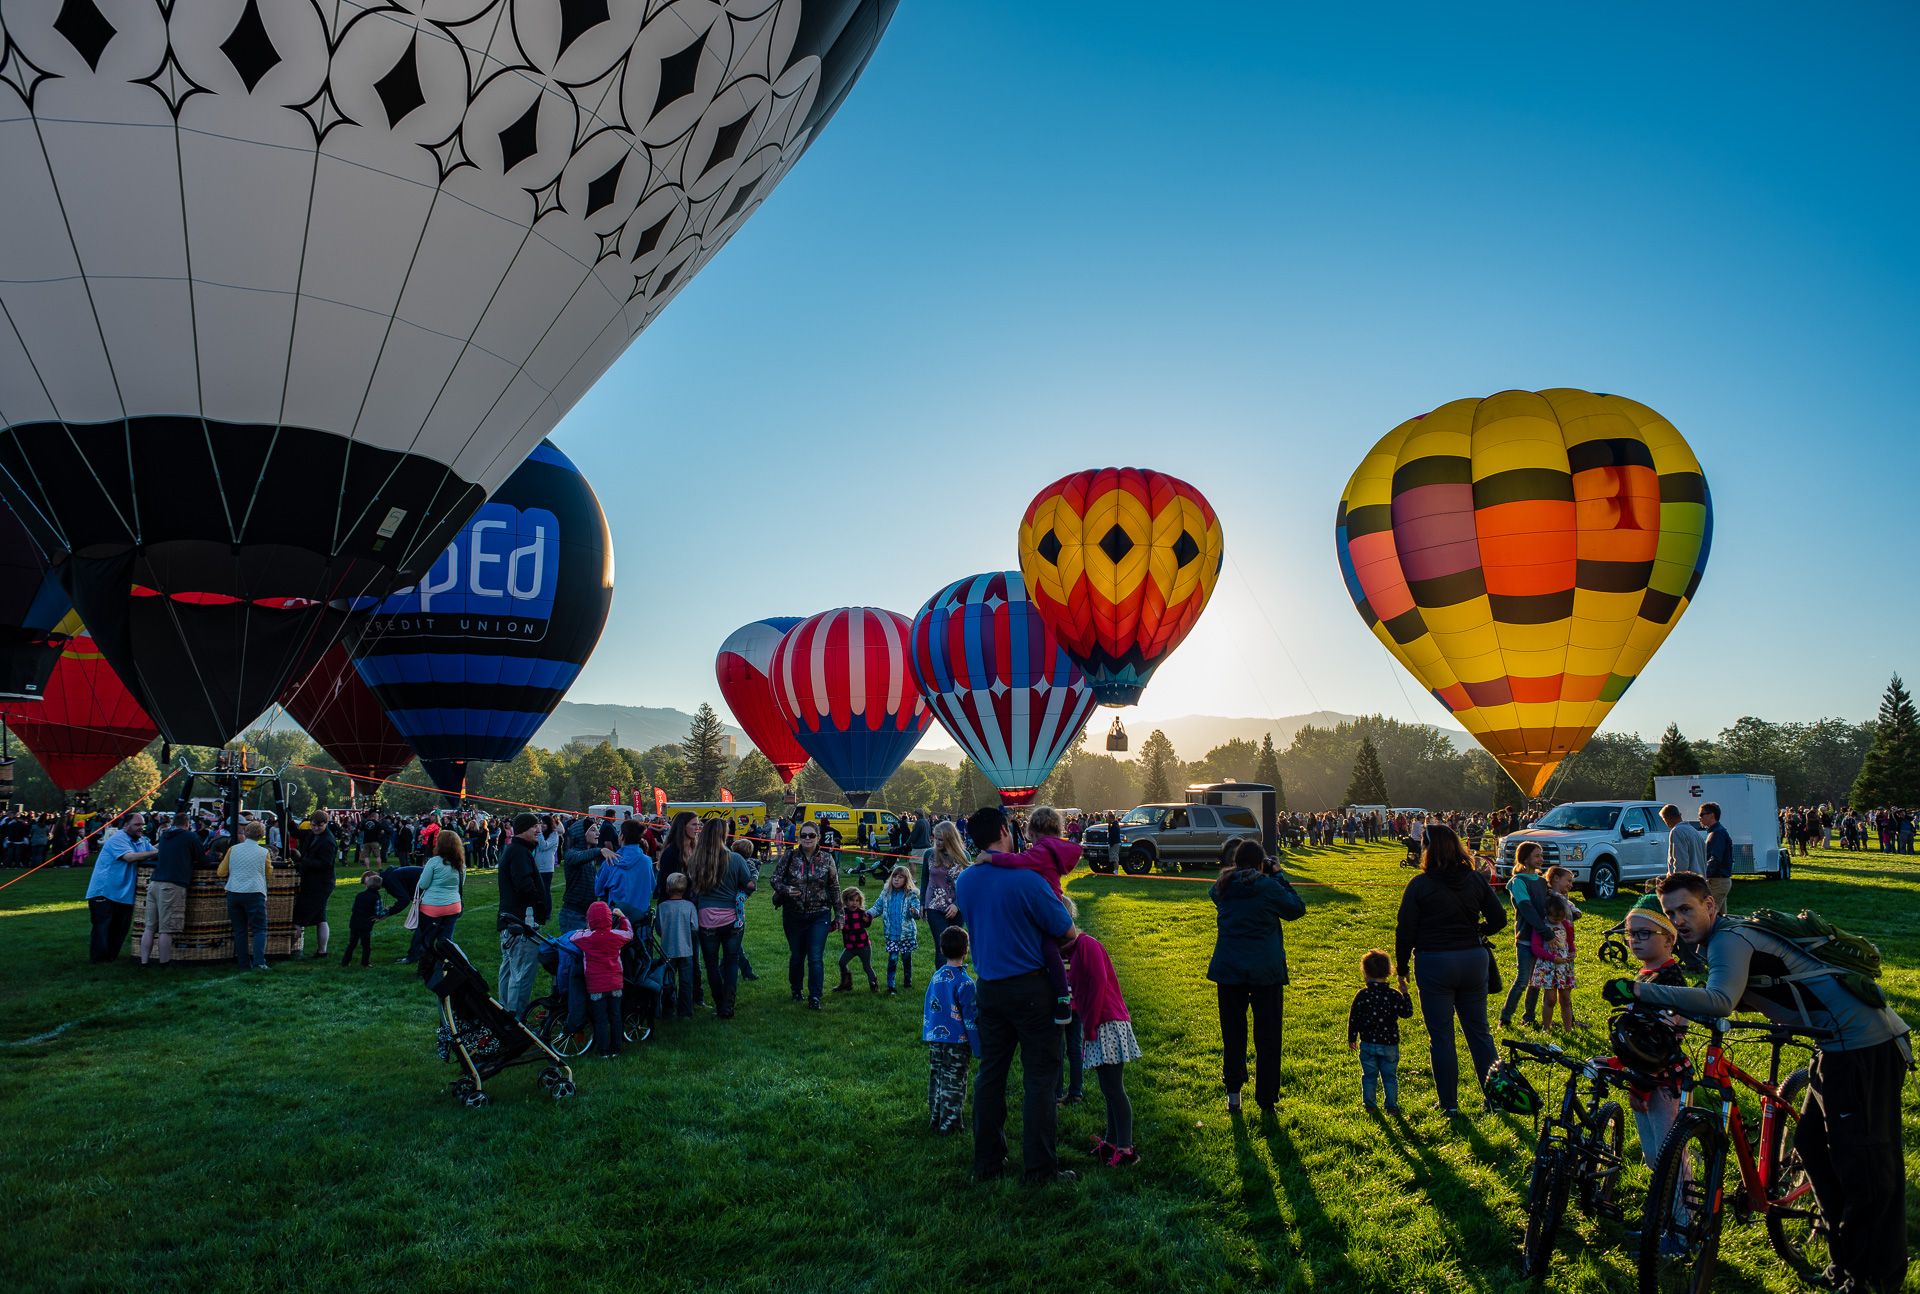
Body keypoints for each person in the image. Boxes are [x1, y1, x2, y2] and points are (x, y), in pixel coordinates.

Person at [1612, 873, 1912, 1294]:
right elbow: (1724, 995)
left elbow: (1721, 1000)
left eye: (1686, 909)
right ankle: (1843, 1266)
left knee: (1864, 1170)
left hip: (1865, 1048)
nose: (1678, 920)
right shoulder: (1723, 941)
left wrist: (1642, 993)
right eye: (1670, 912)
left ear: (1710, 906)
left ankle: (1875, 1281)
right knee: (1812, 1147)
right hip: (1835, 1049)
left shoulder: (1730, 939)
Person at [955, 805, 1076, 1186]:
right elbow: (1067, 933)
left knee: (991, 1074)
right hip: (1032, 989)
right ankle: (1041, 1171)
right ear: (1007, 830)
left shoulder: (966, 881)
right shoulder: (1029, 880)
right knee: (1040, 1078)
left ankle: (988, 1163)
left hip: (988, 987)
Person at [1393, 822, 1505, 1116]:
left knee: (1441, 1036)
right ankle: (1494, 1098)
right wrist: (1479, 930)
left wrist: (1402, 966)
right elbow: (1499, 918)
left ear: (1427, 849)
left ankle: (1449, 1105)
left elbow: (1405, 929)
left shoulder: (1419, 884)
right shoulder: (1475, 879)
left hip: (1434, 962)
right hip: (1472, 958)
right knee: (1479, 1033)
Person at [1207, 838, 1306, 1113]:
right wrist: (1279, 875)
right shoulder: (1268, 887)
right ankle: (1266, 1100)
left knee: (1233, 1035)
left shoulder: (1223, 887)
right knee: (1268, 1036)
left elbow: (1213, 893)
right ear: (1261, 862)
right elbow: (1296, 909)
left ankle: (1234, 1095)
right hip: (1266, 970)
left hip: (1229, 970)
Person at [1614, 894, 1691, 1189]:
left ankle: (1683, 1227)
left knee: (1669, 1157)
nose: (1634, 940)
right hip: (1646, 1080)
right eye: (1630, 933)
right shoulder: (1648, 974)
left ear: (1670, 939)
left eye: (1644, 933)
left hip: (1662, 1083)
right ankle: (1665, 1219)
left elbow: (1659, 1044)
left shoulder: (1667, 982)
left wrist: (1640, 1086)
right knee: (1653, 1155)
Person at [1062, 921, 1141, 1168]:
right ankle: (1111, 1143)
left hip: (1107, 1022)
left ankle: (1126, 1150)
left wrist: (1090, 1025)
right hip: (1097, 1024)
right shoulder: (1074, 951)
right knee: (1108, 1088)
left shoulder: (1088, 945)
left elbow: (1098, 985)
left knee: (1114, 1089)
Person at [688, 818, 755, 1019]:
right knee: (731, 961)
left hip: (706, 917)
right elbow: (748, 884)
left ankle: (719, 1004)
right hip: (732, 918)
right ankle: (728, 1006)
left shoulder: (695, 860)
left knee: (710, 964)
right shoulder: (735, 859)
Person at [772, 820, 840, 1010]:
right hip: (794, 914)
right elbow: (775, 878)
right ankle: (796, 989)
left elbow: (834, 887)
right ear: (799, 838)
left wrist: (840, 915)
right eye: (804, 835)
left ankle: (815, 996)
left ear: (818, 837)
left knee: (815, 957)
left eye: (811, 835)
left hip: (820, 914)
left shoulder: (827, 859)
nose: (807, 839)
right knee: (797, 955)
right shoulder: (790, 856)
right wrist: (785, 890)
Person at [923, 925, 980, 1133]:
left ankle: (936, 1117)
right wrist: (978, 1048)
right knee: (954, 1082)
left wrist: (928, 1031)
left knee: (937, 1077)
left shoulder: (937, 977)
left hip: (936, 1039)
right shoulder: (966, 983)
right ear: (966, 951)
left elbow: (930, 1006)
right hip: (958, 1042)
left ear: (941, 950)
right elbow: (971, 1019)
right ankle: (950, 1124)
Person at [496, 813, 551, 1019]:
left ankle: (504, 1015)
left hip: (510, 921)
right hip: (521, 923)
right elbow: (523, 884)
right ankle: (516, 1021)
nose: (539, 830)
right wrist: (539, 903)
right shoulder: (519, 851)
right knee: (522, 972)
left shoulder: (516, 850)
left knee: (510, 969)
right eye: (534, 827)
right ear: (522, 829)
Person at [1347, 949, 1413, 1114]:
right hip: (1390, 1044)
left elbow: (1354, 1018)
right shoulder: (1393, 995)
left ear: (1365, 973)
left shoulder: (1362, 995)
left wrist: (1352, 1037)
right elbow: (1407, 1013)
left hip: (1368, 1043)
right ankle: (1391, 1107)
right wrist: (1405, 994)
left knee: (1369, 1077)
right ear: (1388, 972)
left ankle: (1370, 1105)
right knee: (1390, 1077)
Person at [140, 811, 208, 968]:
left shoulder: (164, 836)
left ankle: (144, 962)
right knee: (166, 928)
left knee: (149, 927)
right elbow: (202, 859)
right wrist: (215, 856)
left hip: (155, 883)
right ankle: (164, 963)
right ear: (187, 824)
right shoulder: (190, 837)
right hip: (173, 884)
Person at [86, 812, 156, 963]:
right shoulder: (118, 839)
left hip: (123, 892)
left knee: (120, 927)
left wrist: (170, 844)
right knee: (102, 927)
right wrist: (159, 851)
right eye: (137, 825)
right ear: (125, 825)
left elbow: (152, 852)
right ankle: (99, 959)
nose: (141, 828)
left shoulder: (140, 840)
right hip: (104, 891)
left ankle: (111, 957)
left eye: (142, 825)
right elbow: (129, 857)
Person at [574, 900, 633, 1058]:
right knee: (615, 1016)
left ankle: (603, 1051)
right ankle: (616, 1048)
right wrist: (623, 917)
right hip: (615, 984)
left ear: (590, 920)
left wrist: (587, 929)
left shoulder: (586, 938)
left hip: (596, 986)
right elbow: (629, 934)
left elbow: (573, 937)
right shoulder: (616, 936)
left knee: (600, 1020)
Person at [1500, 841, 1548, 1028]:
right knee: (1522, 980)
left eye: (1542, 856)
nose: (1541, 859)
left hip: (1543, 938)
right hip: (1527, 937)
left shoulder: (1543, 881)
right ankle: (1505, 1017)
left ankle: (1529, 1017)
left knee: (1536, 981)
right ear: (1525, 858)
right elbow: (1527, 909)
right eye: (1537, 856)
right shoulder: (1518, 882)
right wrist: (1546, 931)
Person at [218, 821, 275, 970]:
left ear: (245, 832)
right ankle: (259, 962)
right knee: (259, 929)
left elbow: (221, 872)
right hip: (254, 892)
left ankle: (243, 964)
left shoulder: (233, 849)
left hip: (234, 891)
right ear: (262, 835)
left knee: (240, 930)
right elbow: (268, 872)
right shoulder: (264, 852)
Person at [1529, 892, 1581, 1031]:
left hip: (1563, 966)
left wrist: (1572, 952)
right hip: (1548, 966)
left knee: (1565, 999)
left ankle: (1568, 1029)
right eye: (1554, 918)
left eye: (1561, 918)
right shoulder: (1542, 926)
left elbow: (1570, 941)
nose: (1558, 921)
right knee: (1550, 999)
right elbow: (1535, 947)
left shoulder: (1565, 925)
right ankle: (1546, 1028)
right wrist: (1552, 958)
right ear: (1546, 912)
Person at [918, 820, 970, 959]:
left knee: (957, 945)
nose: (937, 842)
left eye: (941, 839)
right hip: (934, 904)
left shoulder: (964, 856)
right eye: (935, 838)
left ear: (950, 839)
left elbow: (968, 884)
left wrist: (957, 905)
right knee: (941, 946)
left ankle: (956, 977)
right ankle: (943, 979)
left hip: (957, 905)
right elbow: (924, 879)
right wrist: (922, 902)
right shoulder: (929, 854)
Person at [868, 864, 922, 994]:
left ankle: (907, 981)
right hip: (892, 934)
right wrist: (867, 915)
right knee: (892, 959)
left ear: (906, 880)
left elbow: (918, 914)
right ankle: (890, 985)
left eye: (900, 877)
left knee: (906, 958)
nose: (896, 880)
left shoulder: (911, 895)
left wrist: (914, 912)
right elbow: (877, 907)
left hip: (907, 934)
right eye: (894, 877)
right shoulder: (886, 893)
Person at [595, 817, 656, 932]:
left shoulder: (610, 862)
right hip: (640, 921)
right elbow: (652, 886)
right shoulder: (646, 861)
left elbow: (598, 890)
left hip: (617, 923)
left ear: (621, 836)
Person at [292, 809, 338, 958]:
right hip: (316, 883)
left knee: (298, 917)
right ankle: (322, 951)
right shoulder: (312, 834)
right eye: (313, 825)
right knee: (320, 917)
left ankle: (287, 950)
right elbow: (296, 834)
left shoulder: (328, 841)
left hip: (320, 884)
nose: (316, 828)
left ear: (326, 824)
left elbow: (325, 864)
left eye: (319, 826)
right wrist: (288, 819)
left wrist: (302, 860)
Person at [414, 831, 466, 949]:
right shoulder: (460, 864)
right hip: (453, 905)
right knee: (446, 940)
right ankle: (443, 964)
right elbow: (460, 884)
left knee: (427, 940)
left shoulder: (434, 862)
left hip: (432, 906)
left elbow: (423, 884)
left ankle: (427, 965)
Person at [656, 874, 697, 1020]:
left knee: (668, 982)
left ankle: (668, 1011)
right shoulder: (690, 906)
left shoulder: (662, 907)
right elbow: (694, 928)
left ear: (668, 888)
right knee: (686, 982)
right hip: (686, 949)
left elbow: (659, 929)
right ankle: (685, 1012)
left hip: (667, 950)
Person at [341, 871, 394, 967]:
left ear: (367, 885)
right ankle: (365, 963)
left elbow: (354, 908)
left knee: (352, 943)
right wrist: (386, 910)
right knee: (366, 945)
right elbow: (378, 914)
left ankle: (345, 962)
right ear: (380, 887)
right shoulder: (377, 898)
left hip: (354, 922)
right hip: (365, 924)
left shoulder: (359, 895)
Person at [833, 886, 878, 993]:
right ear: (845, 901)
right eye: (851, 900)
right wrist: (826, 928)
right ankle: (846, 983)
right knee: (842, 962)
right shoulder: (842, 914)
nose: (854, 903)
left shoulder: (861, 913)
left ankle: (874, 985)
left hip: (864, 946)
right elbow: (834, 924)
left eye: (857, 901)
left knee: (867, 966)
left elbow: (867, 924)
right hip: (850, 947)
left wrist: (868, 920)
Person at [1697, 802, 1734, 913]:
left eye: (1701, 814)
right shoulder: (1715, 832)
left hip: (1717, 882)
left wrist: (1703, 875)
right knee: (1720, 918)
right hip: (1718, 881)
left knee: (1707, 914)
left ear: (1712, 815)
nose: (1699, 818)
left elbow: (1715, 858)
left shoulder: (1717, 834)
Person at [1660, 804, 1705, 885]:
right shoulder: (1693, 831)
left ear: (1666, 819)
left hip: (1687, 883)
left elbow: (1681, 861)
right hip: (1699, 880)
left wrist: (1676, 883)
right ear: (1680, 814)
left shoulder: (1677, 831)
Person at [534, 815, 562, 903]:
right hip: (537, 866)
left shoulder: (554, 835)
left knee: (545, 891)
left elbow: (544, 846)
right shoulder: (541, 835)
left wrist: (539, 834)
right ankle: (539, 911)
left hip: (546, 868)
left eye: (544, 824)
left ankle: (547, 913)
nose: (541, 825)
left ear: (549, 824)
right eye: (540, 823)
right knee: (537, 891)